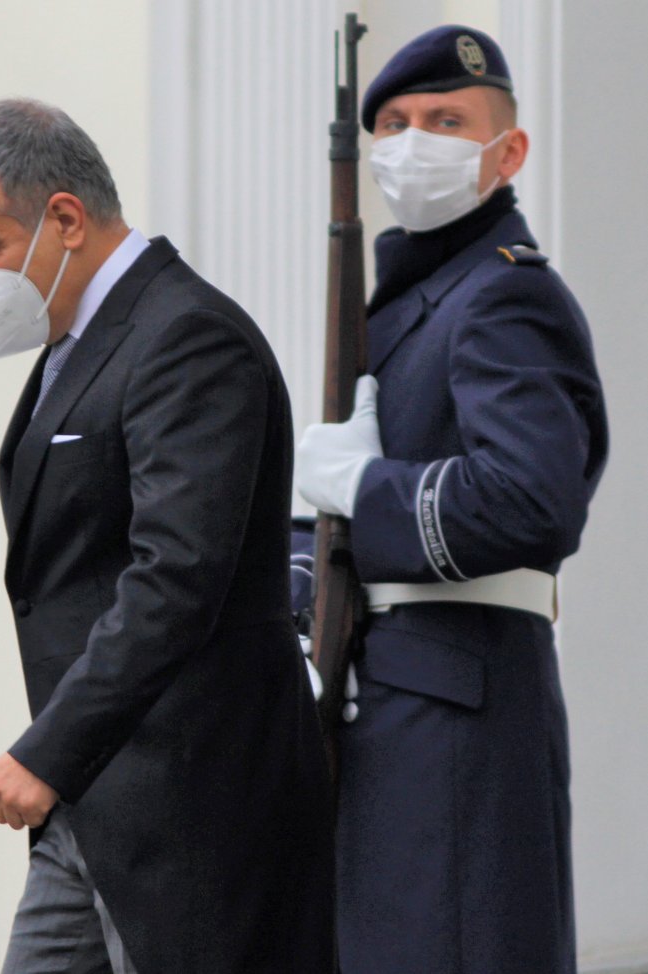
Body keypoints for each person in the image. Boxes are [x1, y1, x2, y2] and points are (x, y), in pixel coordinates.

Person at [0, 98, 334, 974]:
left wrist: (49, 751)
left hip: (195, 804)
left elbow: (176, 576)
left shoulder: (185, 335)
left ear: (64, 219)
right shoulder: (85, 341)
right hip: (93, 803)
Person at [297, 25, 608, 974]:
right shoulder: (412, 305)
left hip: (456, 719)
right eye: (392, 124)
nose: (410, 143)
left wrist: (365, 489)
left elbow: (529, 499)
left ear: (506, 152)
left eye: (444, 121)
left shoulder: (504, 296)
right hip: (390, 705)